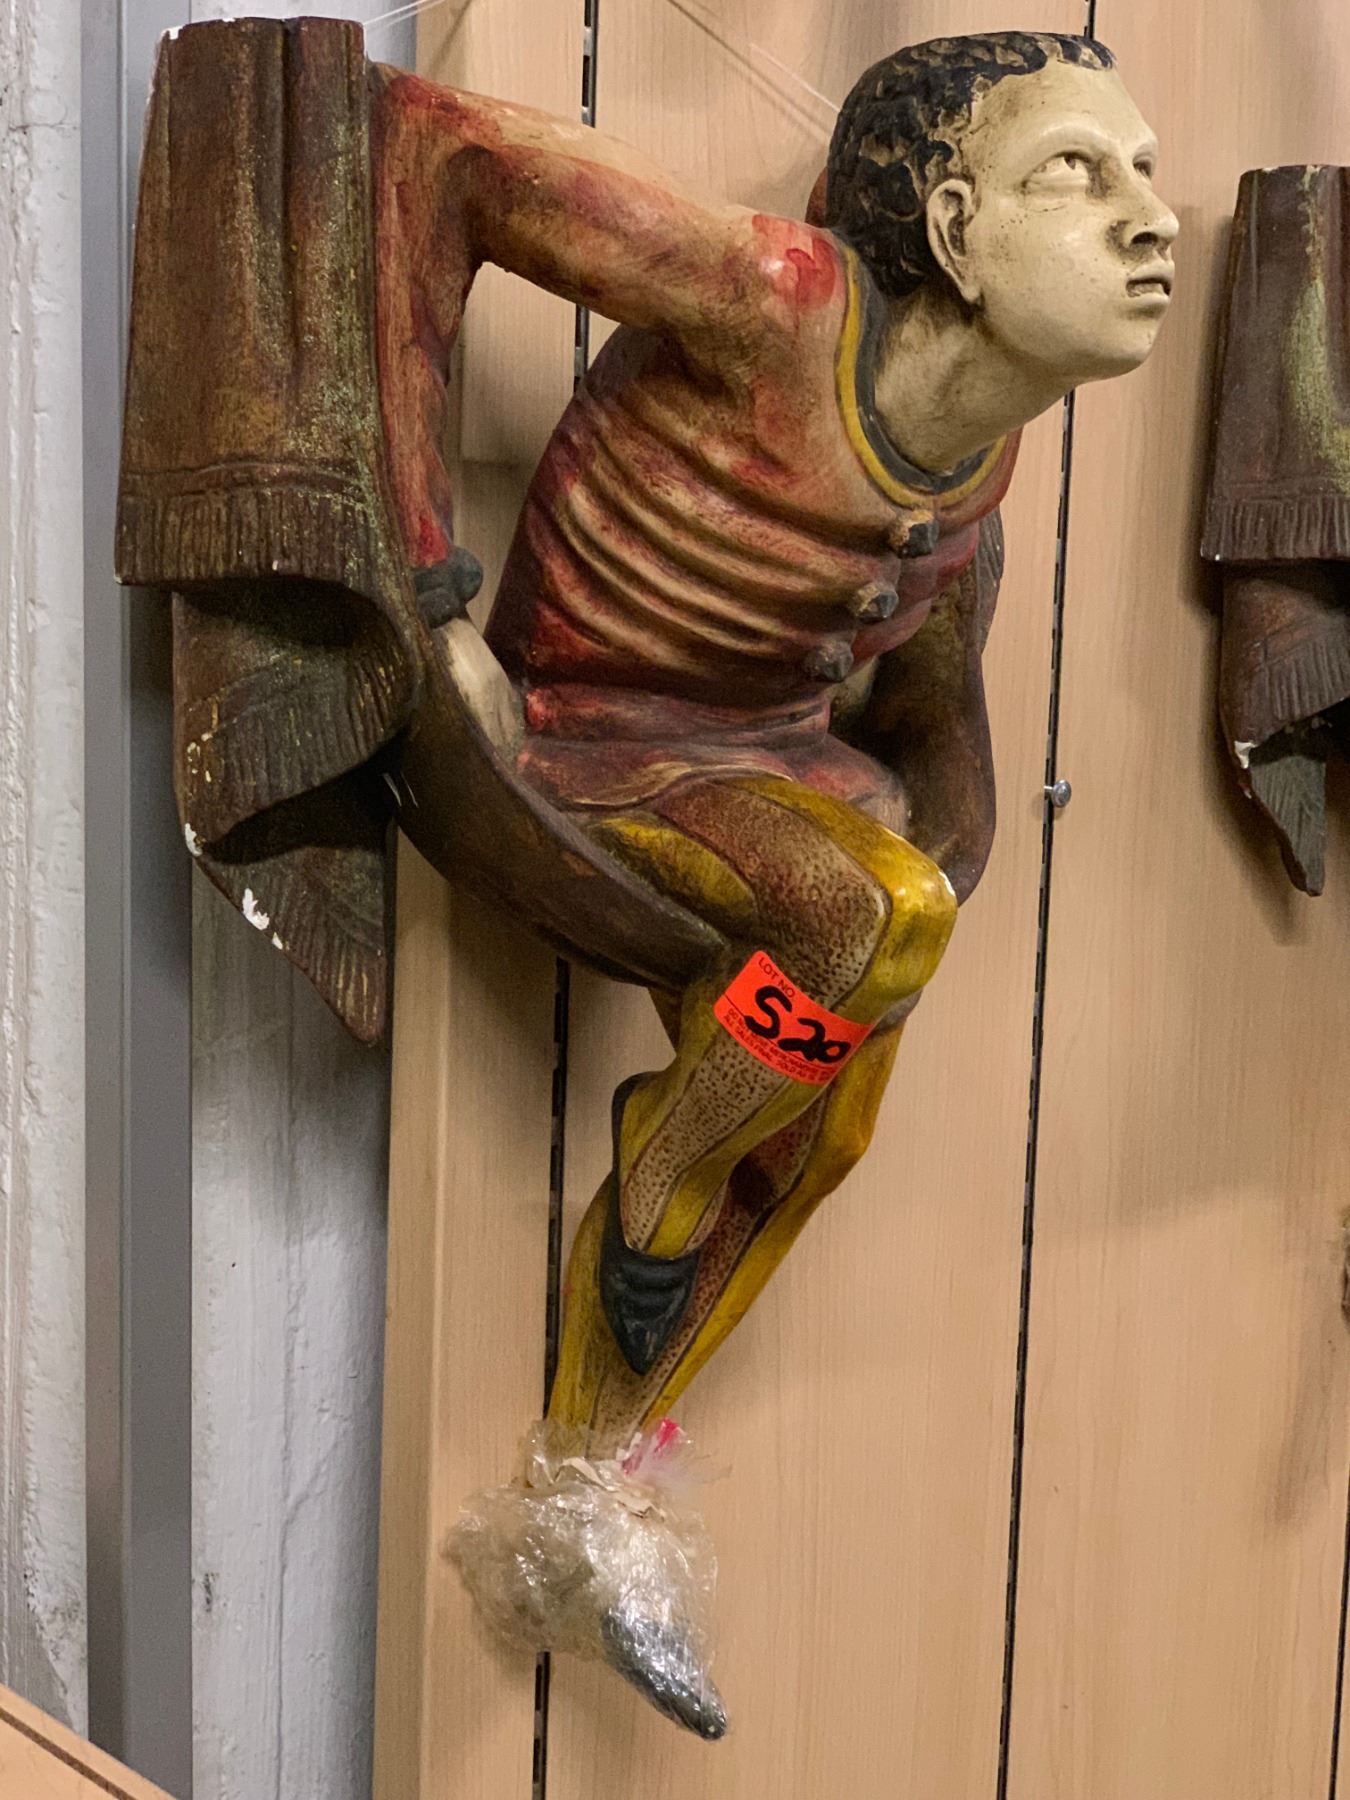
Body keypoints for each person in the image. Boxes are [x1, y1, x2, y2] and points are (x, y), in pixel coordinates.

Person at [379, 33, 1178, 1492]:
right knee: (876, 917)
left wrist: (955, 819)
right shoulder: (777, 302)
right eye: (1077, 173)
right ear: (952, 230)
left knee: (831, 1121)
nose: (1151, 218)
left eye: (1144, 170)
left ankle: (597, 1455)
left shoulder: (984, 454)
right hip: (593, 739)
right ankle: (668, 1162)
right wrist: (426, 591)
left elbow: (931, 686)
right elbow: (442, 153)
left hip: (778, 770)